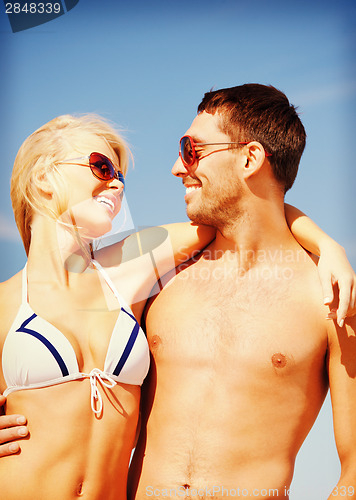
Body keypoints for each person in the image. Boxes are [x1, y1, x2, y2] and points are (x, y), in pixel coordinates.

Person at [0, 104, 355, 499]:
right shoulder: (10, 301)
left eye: (120, 176)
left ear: (251, 157)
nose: (117, 184)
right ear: (46, 177)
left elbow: (252, 212)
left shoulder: (128, 273)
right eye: (102, 168)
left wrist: (327, 246)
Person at [127, 84, 356, 499]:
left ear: (250, 157)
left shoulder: (330, 297)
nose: (178, 168)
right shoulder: (158, 277)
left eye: (190, 149)